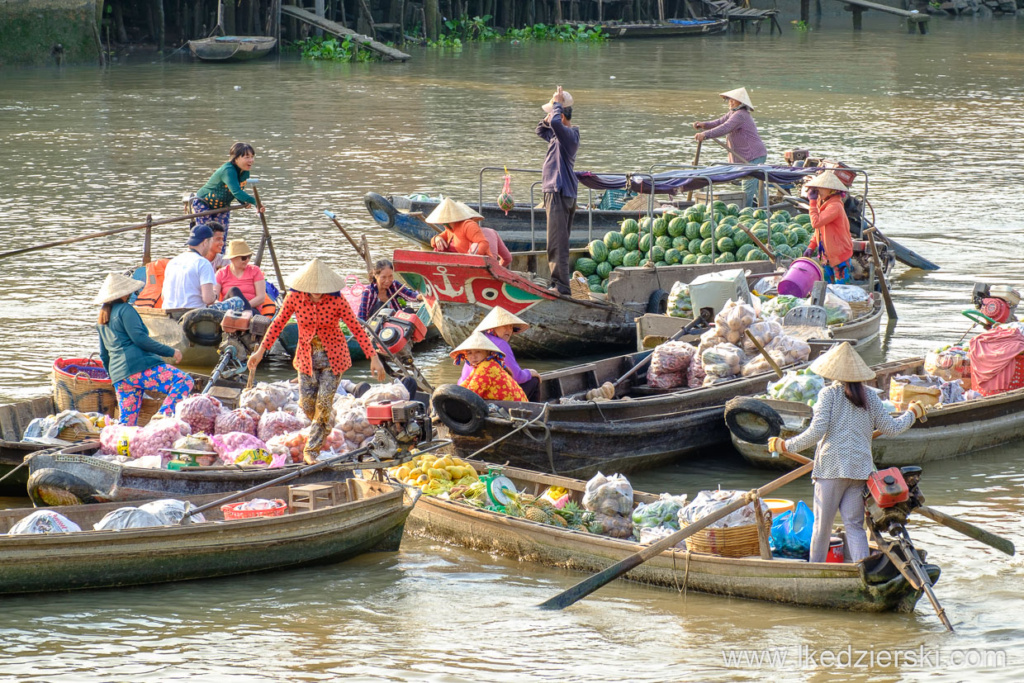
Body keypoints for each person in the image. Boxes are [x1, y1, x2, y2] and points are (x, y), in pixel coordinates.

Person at [768, 343, 925, 564]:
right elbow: (892, 428)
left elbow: (816, 432)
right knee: (854, 526)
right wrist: (912, 413)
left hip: (831, 470)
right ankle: (863, 569)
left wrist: (785, 446)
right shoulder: (869, 396)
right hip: (860, 472)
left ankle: (815, 573)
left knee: (822, 527)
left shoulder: (829, 394)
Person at [247, 258, 387, 464]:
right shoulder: (294, 298)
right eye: (313, 289)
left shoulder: (337, 301)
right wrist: (260, 352)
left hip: (334, 358)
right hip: (306, 359)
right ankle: (323, 425)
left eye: (321, 289)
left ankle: (311, 450)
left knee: (323, 404)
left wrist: (374, 357)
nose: (317, 293)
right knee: (307, 406)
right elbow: (277, 324)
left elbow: (357, 329)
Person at [94, 272, 193, 426]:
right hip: (138, 368)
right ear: (124, 293)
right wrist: (171, 351)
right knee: (184, 380)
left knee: (127, 424)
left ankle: (119, 446)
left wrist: (113, 378)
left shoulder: (102, 318)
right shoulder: (125, 310)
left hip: (120, 377)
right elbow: (140, 339)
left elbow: (104, 354)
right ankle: (162, 418)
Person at [536, 86, 579, 295]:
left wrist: (557, 105)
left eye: (553, 112)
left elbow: (553, 122)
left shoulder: (569, 136)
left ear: (561, 116)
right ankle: (557, 284)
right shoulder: (557, 137)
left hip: (559, 192)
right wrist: (553, 107)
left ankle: (561, 287)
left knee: (557, 243)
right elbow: (541, 129)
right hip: (556, 191)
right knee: (555, 241)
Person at [692, 87, 768, 208]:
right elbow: (719, 122)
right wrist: (704, 125)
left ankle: (745, 213)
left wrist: (705, 135)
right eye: (729, 100)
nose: (730, 102)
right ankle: (765, 208)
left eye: (734, 100)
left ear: (741, 103)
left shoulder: (741, 115)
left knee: (748, 186)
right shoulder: (733, 113)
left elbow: (725, 128)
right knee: (756, 185)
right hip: (749, 156)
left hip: (753, 155)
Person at [460, 306, 540, 401]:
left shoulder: (480, 348)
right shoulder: (498, 345)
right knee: (534, 380)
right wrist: (530, 373)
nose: (509, 330)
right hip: (487, 394)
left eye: (511, 327)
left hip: (485, 391)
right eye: (504, 326)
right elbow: (517, 377)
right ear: (493, 327)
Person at [191, 142, 265, 244]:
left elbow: (238, 191)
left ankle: (219, 259)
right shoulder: (228, 170)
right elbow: (237, 192)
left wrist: (243, 202)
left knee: (220, 238)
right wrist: (255, 202)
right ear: (236, 158)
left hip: (222, 206)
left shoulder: (245, 171)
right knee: (207, 237)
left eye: (252, 157)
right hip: (204, 203)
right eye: (247, 157)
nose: (251, 160)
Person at [161, 225, 247, 312]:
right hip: (193, 314)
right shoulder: (203, 263)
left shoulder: (172, 262)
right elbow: (208, 299)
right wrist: (215, 296)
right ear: (205, 242)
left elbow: (163, 296)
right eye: (211, 242)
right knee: (238, 301)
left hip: (169, 311)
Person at [802, 170, 854, 284]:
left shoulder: (835, 206)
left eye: (821, 188)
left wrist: (812, 202)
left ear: (831, 190)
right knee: (827, 288)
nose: (818, 191)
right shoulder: (823, 203)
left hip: (839, 255)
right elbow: (819, 230)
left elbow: (815, 222)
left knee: (840, 290)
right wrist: (811, 246)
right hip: (824, 255)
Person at [428, 198, 513, 267]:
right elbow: (507, 258)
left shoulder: (468, 227)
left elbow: (483, 245)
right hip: (485, 265)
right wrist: (437, 238)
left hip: (482, 265)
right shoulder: (452, 231)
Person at [452, 331, 528, 403]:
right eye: (470, 353)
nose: (473, 356)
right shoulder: (480, 366)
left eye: (478, 352)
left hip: (516, 408)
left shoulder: (486, 367)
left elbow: (470, 395)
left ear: (487, 353)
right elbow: (464, 386)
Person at [357, 258, 422, 321]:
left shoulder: (394, 285)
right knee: (381, 305)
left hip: (397, 321)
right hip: (378, 326)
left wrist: (419, 297)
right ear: (376, 276)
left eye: (390, 276)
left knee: (409, 311)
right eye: (383, 277)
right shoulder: (368, 292)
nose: (387, 281)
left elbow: (410, 295)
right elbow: (361, 317)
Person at [215, 239, 267, 310]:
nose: (247, 260)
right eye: (244, 258)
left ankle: (244, 309)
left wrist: (243, 307)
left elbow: (261, 298)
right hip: (229, 310)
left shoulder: (255, 270)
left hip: (251, 309)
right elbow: (214, 298)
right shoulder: (221, 273)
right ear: (233, 258)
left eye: (249, 257)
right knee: (234, 290)